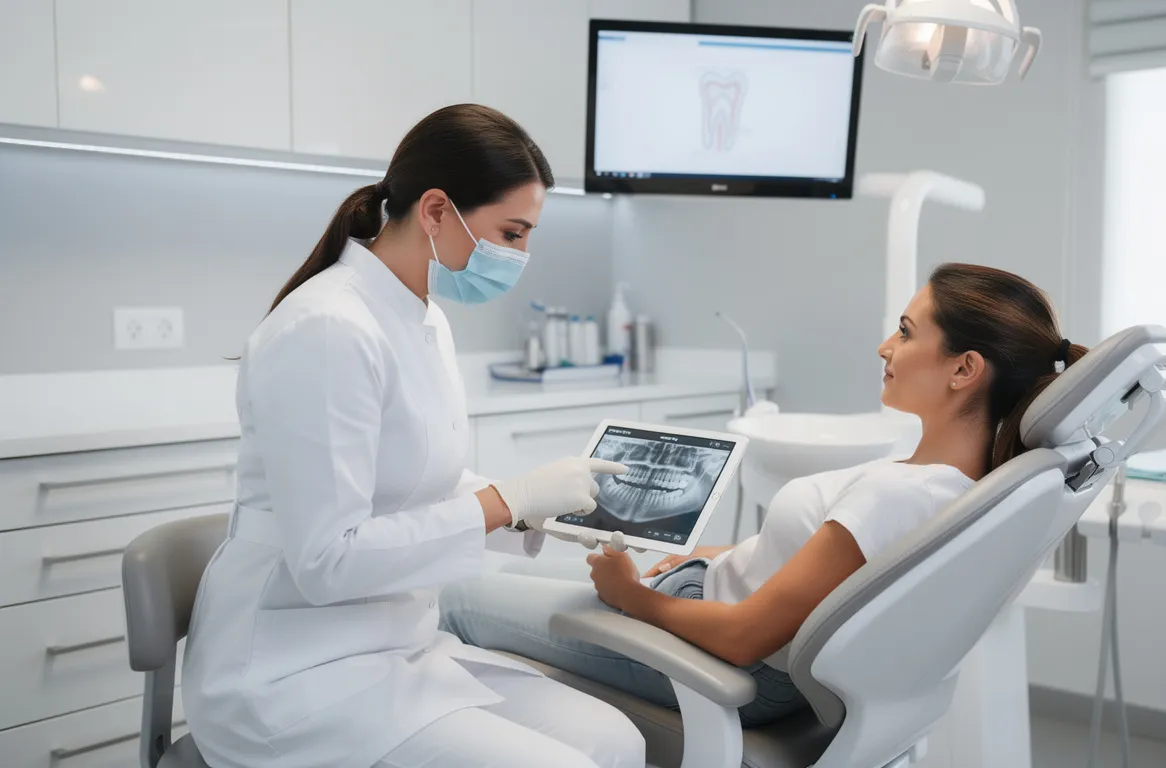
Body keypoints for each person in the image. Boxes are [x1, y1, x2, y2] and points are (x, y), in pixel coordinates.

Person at [181, 105, 645, 768]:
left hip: (397, 649)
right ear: (435, 211)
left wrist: (533, 505)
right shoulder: (326, 329)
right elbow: (327, 560)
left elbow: (413, 475)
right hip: (290, 672)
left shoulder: (422, 320)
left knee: (617, 743)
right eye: (511, 234)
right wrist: (504, 501)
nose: (520, 257)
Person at [440, 263, 1088, 726]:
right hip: (701, 597)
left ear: (964, 369)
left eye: (907, 332)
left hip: (713, 654)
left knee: (460, 594)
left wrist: (630, 597)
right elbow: (821, 570)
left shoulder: (898, 493)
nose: (885, 346)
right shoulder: (952, 485)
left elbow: (748, 636)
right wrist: (709, 556)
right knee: (530, 566)